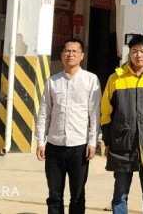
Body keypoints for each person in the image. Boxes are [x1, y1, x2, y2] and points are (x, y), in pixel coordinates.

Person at [100, 34, 143, 214]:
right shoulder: (116, 79)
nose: (138, 55)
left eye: (142, 51)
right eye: (134, 51)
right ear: (129, 53)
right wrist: (107, 142)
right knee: (120, 194)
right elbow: (105, 113)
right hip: (122, 144)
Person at [35, 38, 102, 214]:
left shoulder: (91, 80)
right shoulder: (52, 81)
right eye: (67, 51)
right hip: (54, 146)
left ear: (82, 55)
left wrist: (92, 142)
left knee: (77, 195)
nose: (70, 54)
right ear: (62, 55)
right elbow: (44, 113)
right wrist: (41, 142)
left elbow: (94, 115)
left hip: (79, 147)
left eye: (74, 51)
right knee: (54, 196)